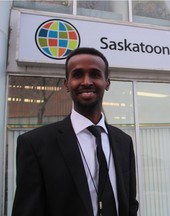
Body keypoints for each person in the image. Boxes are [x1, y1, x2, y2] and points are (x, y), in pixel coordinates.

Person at [12, 47, 139, 216]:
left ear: (107, 83)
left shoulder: (124, 141)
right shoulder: (35, 144)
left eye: (95, 74)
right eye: (78, 75)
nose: (86, 81)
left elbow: (130, 203)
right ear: (66, 84)